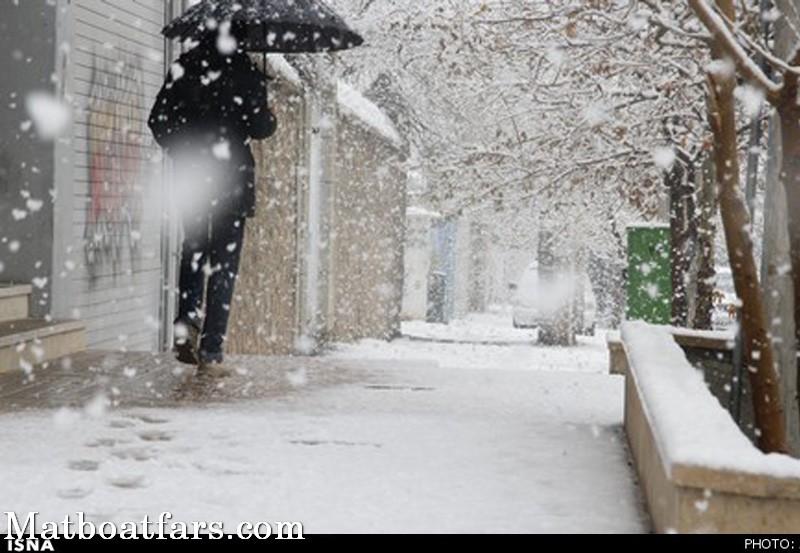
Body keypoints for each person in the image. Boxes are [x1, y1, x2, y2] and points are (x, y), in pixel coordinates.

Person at [148, 27, 276, 377]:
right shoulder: (248, 74)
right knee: (224, 265)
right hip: (232, 178)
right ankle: (212, 349)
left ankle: (187, 319)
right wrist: (268, 114)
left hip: (192, 176)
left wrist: (183, 149)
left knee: (193, 250)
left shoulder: (185, 66)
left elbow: (157, 121)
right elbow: (261, 127)